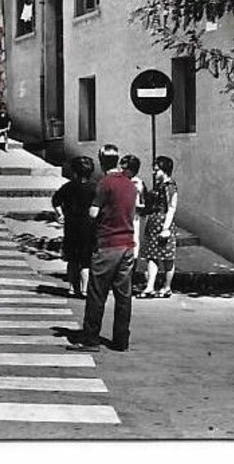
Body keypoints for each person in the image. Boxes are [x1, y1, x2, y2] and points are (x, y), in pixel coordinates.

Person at [72, 144, 137, 352]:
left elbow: (93, 213)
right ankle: (121, 340)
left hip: (107, 243)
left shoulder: (104, 183)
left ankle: (91, 338)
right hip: (127, 244)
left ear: (101, 160)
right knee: (123, 295)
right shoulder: (129, 184)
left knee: (97, 293)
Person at [51, 157, 97, 297]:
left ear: (74, 171)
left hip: (71, 226)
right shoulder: (95, 187)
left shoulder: (68, 186)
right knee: (86, 261)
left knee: (72, 259)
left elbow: (55, 200)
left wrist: (61, 215)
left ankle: (72, 288)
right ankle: (84, 289)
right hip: (89, 227)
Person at [140, 156, 180, 298]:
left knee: (167, 258)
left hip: (163, 223)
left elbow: (171, 207)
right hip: (154, 223)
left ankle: (167, 287)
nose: (154, 173)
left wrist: (166, 228)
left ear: (164, 170)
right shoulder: (159, 186)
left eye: (156, 170)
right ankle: (150, 286)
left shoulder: (170, 186)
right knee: (152, 256)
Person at [120, 154, 148, 296]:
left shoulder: (139, 184)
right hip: (119, 219)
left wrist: (137, 206)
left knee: (133, 248)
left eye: (125, 168)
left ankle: (129, 280)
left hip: (134, 220)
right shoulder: (118, 181)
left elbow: (145, 204)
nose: (122, 170)